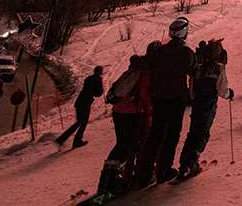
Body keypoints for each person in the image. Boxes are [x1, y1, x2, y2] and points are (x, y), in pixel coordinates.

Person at [139, 17, 196, 185]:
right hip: (176, 98)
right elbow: (194, 70)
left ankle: (145, 172)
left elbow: (147, 64)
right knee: (171, 135)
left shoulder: (160, 52)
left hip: (158, 98)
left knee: (155, 134)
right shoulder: (186, 52)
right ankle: (164, 169)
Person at [178, 39, 233, 179]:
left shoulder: (198, 68)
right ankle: (192, 162)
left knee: (193, 132)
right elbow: (221, 89)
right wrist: (229, 94)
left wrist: (193, 97)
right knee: (203, 132)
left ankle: (184, 164)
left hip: (197, 103)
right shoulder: (218, 68)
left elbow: (191, 85)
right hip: (208, 104)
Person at [100, 54, 152, 196]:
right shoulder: (144, 74)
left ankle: (106, 179)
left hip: (118, 112)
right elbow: (145, 97)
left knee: (121, 145)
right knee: (129, 145)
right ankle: (116, 179)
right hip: (132, 113)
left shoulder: (131, 71)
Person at [57, 66, 104, 149]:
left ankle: (62, 139)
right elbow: (98, 94)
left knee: (79, 122)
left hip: (79, 101)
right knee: (83, 122)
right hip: (86, 103)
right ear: (100, 72)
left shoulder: (88, 78)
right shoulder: (98, 80)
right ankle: (76, 141)